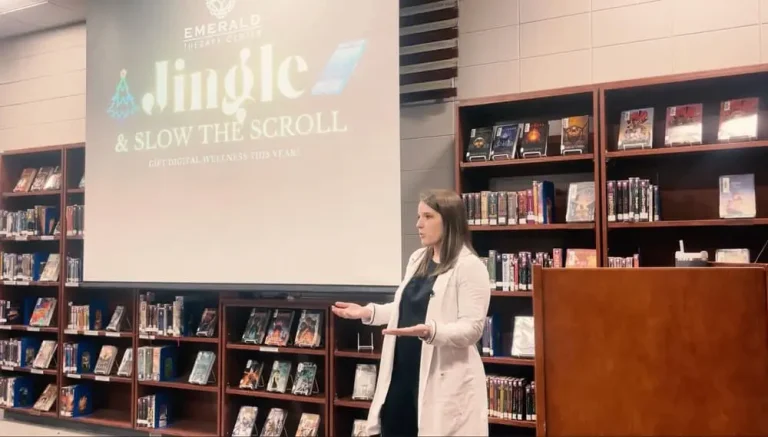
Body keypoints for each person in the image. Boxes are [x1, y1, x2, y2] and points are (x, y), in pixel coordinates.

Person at [332, 189, 490, 437]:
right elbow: (405, 308)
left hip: (441, 377)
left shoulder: (470, 267)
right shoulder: (417, 258)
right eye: (418, 217)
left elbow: (472, 328)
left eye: (427, 217)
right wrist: (367, 311)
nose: (418, 224)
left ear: (448, 220)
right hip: (402, 373)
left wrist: (432, 331)